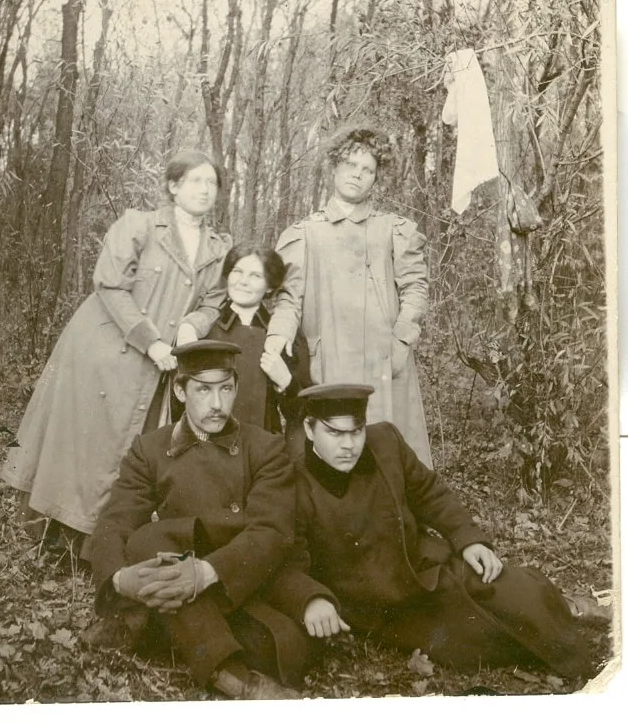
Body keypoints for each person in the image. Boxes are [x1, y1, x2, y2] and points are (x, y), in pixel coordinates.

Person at [291, 383, 595, 681]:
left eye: (356, 431)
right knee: (477, 638)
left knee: (514, 589)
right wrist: (312, 598)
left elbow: (429, 493)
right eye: (334, 433)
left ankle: (565, 608)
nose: (348, 445)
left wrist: (469, 540)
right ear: (309, 429)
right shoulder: (292, 477)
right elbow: (288, 558)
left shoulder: (385, 441)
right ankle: (562, 623)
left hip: (423, 568)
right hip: (381, 605)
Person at [0, 150, 230, 546]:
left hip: (159, 366)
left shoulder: (217, 248)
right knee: (86, 442)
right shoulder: (140, 225)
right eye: (196, 180)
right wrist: (150, 340)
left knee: (130, 449)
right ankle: (56, 540)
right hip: (107, 349)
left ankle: (103, 543)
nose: (205, 189)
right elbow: (109, 285)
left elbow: (213, 301)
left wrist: (193, 324)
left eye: (212, 183)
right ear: (174, 186)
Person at [88, 341, 336, 700]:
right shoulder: (150, 449)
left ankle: (181, 637)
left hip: (241, 586)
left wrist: (205, 573)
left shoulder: (264, 448)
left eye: (226, 389)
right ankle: (235, 679)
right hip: (180, 582)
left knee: (270, 644)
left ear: (236, 388)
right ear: (180, 391)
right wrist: (118, 580)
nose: (217, 403)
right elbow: (114, 522)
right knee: (147, 541)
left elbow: (271, 533)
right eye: (203, 390)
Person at [265, 126, 432, 466]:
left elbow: (416, 289)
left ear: (376, 178)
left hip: (384, 364)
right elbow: (289, 300)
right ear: (334, 167)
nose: (357, 174)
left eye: (367, 169)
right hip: (328, 365)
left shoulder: (393, 229)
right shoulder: (305, 233)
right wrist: (277, 336)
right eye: (350, 165)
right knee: (332, 451)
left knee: (388, 455)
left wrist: (401, 341)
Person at [178, 243, 311, 457]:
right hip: (205, 453)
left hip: (263, 452)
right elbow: (180, 402)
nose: (243, 281)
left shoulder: (282, 336)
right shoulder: (204, 330)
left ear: (270, 286)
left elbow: (302, 413)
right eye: (237, 272)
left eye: (255, 276)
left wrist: (286, 382)